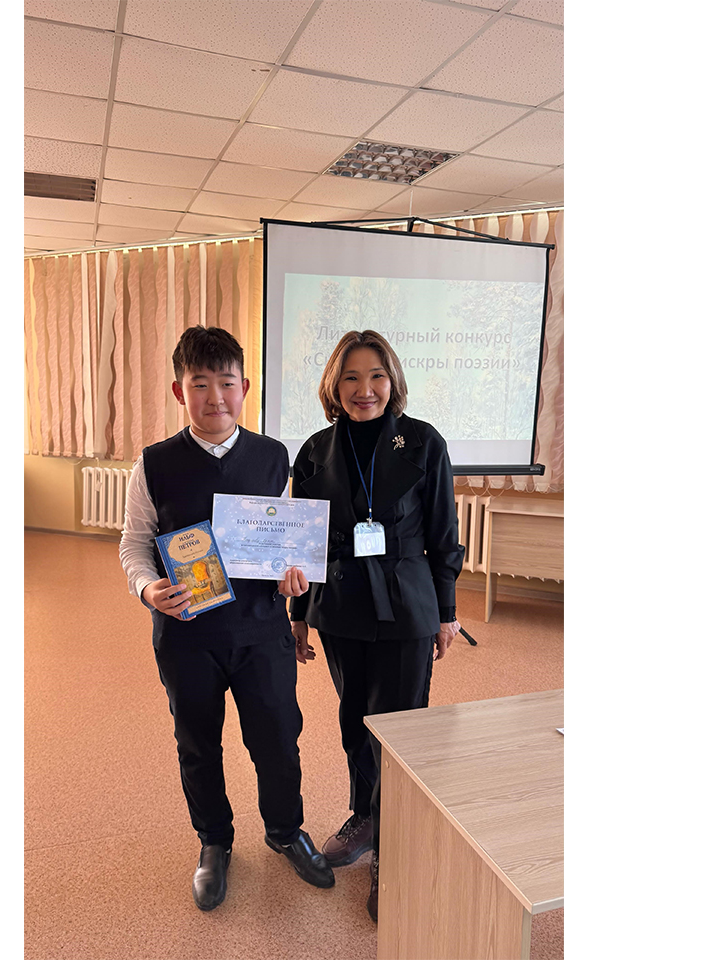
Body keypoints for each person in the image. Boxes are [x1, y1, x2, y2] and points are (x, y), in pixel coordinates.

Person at [119, 325, 333, 912]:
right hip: (187, 635)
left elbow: (285, 540)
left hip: (261, 629)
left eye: (227, 383)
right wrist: (148, 589)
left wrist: (293, 575)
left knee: (278, 737)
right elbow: (134, 542)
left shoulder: (273, 456)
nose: (215, 397)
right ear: (178, 390)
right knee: (197, 742)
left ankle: (285, 830)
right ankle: (214, 840)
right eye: (200, 385)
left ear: (245, 387)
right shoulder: (154, 464)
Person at [288, 329, 464, 922]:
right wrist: (298, 616)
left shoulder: (424, 442)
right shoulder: (314, 451)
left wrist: (446, 612)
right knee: (355, 720)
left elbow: (443, 534)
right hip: (340, 606)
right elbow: (302, 543)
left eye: (376, 376)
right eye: (351, 378)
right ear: (333, 387)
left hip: (407, 603)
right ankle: (365, 815)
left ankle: (394, 843)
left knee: (401, 729)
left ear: (393, 381)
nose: (365, 390)